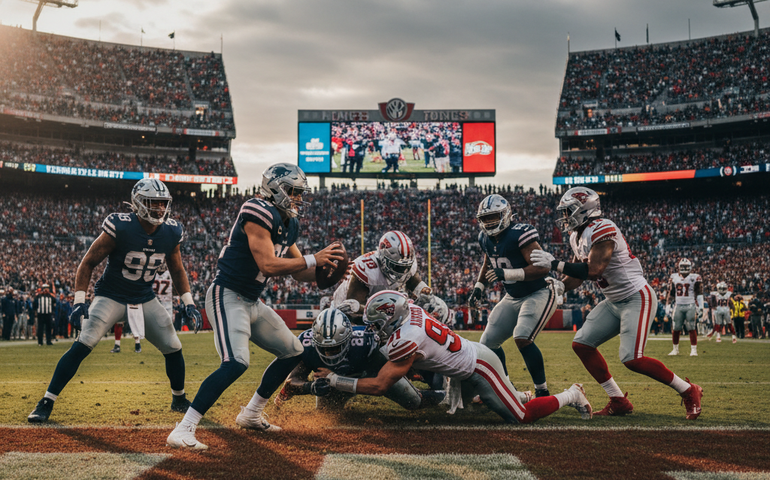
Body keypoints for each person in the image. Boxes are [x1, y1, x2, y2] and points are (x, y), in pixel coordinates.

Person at [166, 163, 345, 450]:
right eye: (293, 191)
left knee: (293, 352)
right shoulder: (257, 210)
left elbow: (299, 272)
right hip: (227, 294)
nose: (298, 198)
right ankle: (184, 428)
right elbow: (268, 264)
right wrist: (314, 258)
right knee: (236, 362)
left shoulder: (289, 223)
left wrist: (331, 270)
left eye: (300, 193)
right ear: (275, 188)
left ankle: (251, 413)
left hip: (251, 300)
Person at [28, 179, 203, 423]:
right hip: (111, 295)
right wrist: (80, 300)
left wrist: (189, 302)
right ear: (139, 203)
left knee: (173, 346)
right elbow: (87, 262)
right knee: (84, 342)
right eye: (154, 203)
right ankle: (46, 401)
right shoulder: (121, 226)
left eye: (163, 204)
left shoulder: (171, 231)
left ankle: (179, 398)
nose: (160, 210)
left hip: (144, 297)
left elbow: (177, 269)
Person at [531, 187, 703, 420]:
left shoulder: (603, 227)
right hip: (613, 301)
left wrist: (555, 263)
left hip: (635, 296)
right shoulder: (576, 236)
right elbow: (577, 274)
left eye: (569, 211)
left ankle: (688, 390)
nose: (565, 217)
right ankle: (618, 400)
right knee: (582, 344)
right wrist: (560, 285)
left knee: (632, 358)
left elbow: (594, 269)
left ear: (585, 209)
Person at [315, 290, 592, 424]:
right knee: (472, 408)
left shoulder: (405, 340)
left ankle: (572, 394)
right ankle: (516, 394)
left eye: (377, 324)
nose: (375, 329)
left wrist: (336, 380)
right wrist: (361, 309)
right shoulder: (409, 311)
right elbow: (390, 308)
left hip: (479, 367)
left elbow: (380, 386)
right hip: (466, 360)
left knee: (520, 418)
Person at [468, 194, 561, 397]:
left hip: (539, 291)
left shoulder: (520, 234)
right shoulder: (484, 238)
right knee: (487, 344)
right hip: (513, 295)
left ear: (506, 214)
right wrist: (479, 287)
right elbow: (488, 262)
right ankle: (507, 388)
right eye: (485, 218)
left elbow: (543, 267)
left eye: (493, 217)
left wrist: (507, 274)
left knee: (522, 336)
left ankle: (542, 392)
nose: (489, 222)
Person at [274, 308, 441, 411]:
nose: (330, 353)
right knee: (328, 416)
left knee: (413, 401)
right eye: (324, 347)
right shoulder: (306, 344)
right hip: (335, 388)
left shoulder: (365, 341)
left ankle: (443, 395)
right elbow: (291, 381)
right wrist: (311, 387)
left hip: (367, 377)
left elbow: (381, 381)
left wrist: (335, 379)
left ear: (349, 339)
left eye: (335, 347)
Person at [331, 230, 439, 324]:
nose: (401, 272)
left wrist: (423, 290)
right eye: (396, 266)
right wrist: (389, 311)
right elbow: (355, 313)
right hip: (347, 313)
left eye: (404, 267)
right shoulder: (366, 270)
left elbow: (411, 280)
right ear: (383, 258)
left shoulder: (407, 265)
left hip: (378, 306)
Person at [666, 258, 704, 357]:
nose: (685, 268)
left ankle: (694, 350)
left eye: (686, 266)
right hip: (678, 305)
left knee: (691, 327)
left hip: (690, 305)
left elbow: (699, 293)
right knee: (676, 328)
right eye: (683, 267)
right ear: (679, 267)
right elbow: (671, 293)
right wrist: (668, 305)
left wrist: (701, 306)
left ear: (690, 267)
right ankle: (675, 349)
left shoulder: (695, 277)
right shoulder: (674, 277)